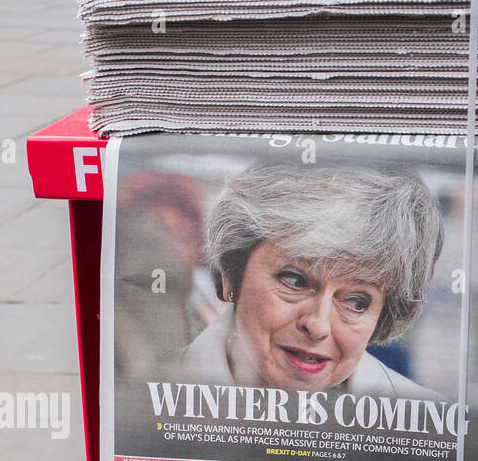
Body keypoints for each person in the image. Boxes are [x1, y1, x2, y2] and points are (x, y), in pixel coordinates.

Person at [186, 163, 446, 399]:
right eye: (294, 280)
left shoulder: (427, 422)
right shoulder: (152, 399)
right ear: (231, 277)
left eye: (357, 302)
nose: (318, 326)